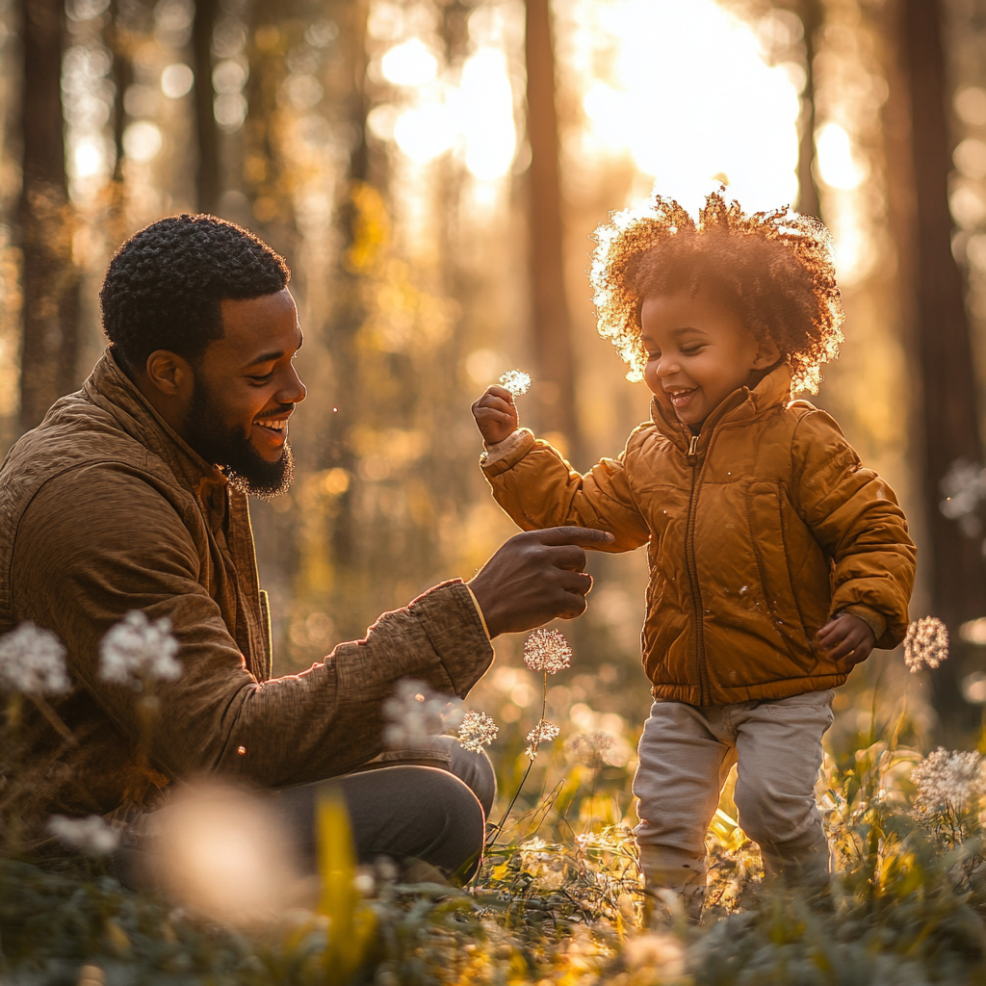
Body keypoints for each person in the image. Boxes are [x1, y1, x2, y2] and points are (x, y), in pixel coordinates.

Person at [0, 214, 612, 886]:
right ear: (169, 372)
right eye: (265, 371)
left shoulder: (185, 447)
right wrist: (474, 614)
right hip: (83, 841)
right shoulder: (97, 499)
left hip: (175, 789)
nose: (295, 390)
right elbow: (227, 745)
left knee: (457, 763)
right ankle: (302, 939)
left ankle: (336, 914)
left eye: (292, 357)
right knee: (439, 812)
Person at [471, 189, 916, 917]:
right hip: (684, 690)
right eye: (651, 349)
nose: (665, 367)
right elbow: (586, 515)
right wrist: (513, 452)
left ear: (764, 347)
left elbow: (875, 530)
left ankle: (810, 916)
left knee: (772, 804)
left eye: (691, 346)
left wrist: (866, 607)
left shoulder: (801, 442)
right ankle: (671, 935)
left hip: (786, 678)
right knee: (666, 818)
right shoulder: (650, 453)